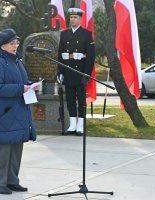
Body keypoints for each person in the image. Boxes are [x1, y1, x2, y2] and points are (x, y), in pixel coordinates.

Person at [0, 28, 37, 195]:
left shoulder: (16, 61)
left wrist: (30, 85)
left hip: (19, 111)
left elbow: (20, 81)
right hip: (5, 113)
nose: (16, 45)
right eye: (12, 43)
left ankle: (12, 181)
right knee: (4, 148)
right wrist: (20, 88)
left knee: (16, 147)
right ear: (2, 46)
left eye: (17, 42)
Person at [57, 8, 95, 136]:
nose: (72, 19)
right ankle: (72, 124)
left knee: (81, 100)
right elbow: (60, 55)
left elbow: (90, 57)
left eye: (75, 17)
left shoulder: (87, 34)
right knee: (70, 99)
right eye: (71, 17)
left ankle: (80, 124)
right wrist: (60, 72)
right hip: (68, 71)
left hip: (80, 72)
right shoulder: (64, 34)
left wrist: (87, 74)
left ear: (80, 19)